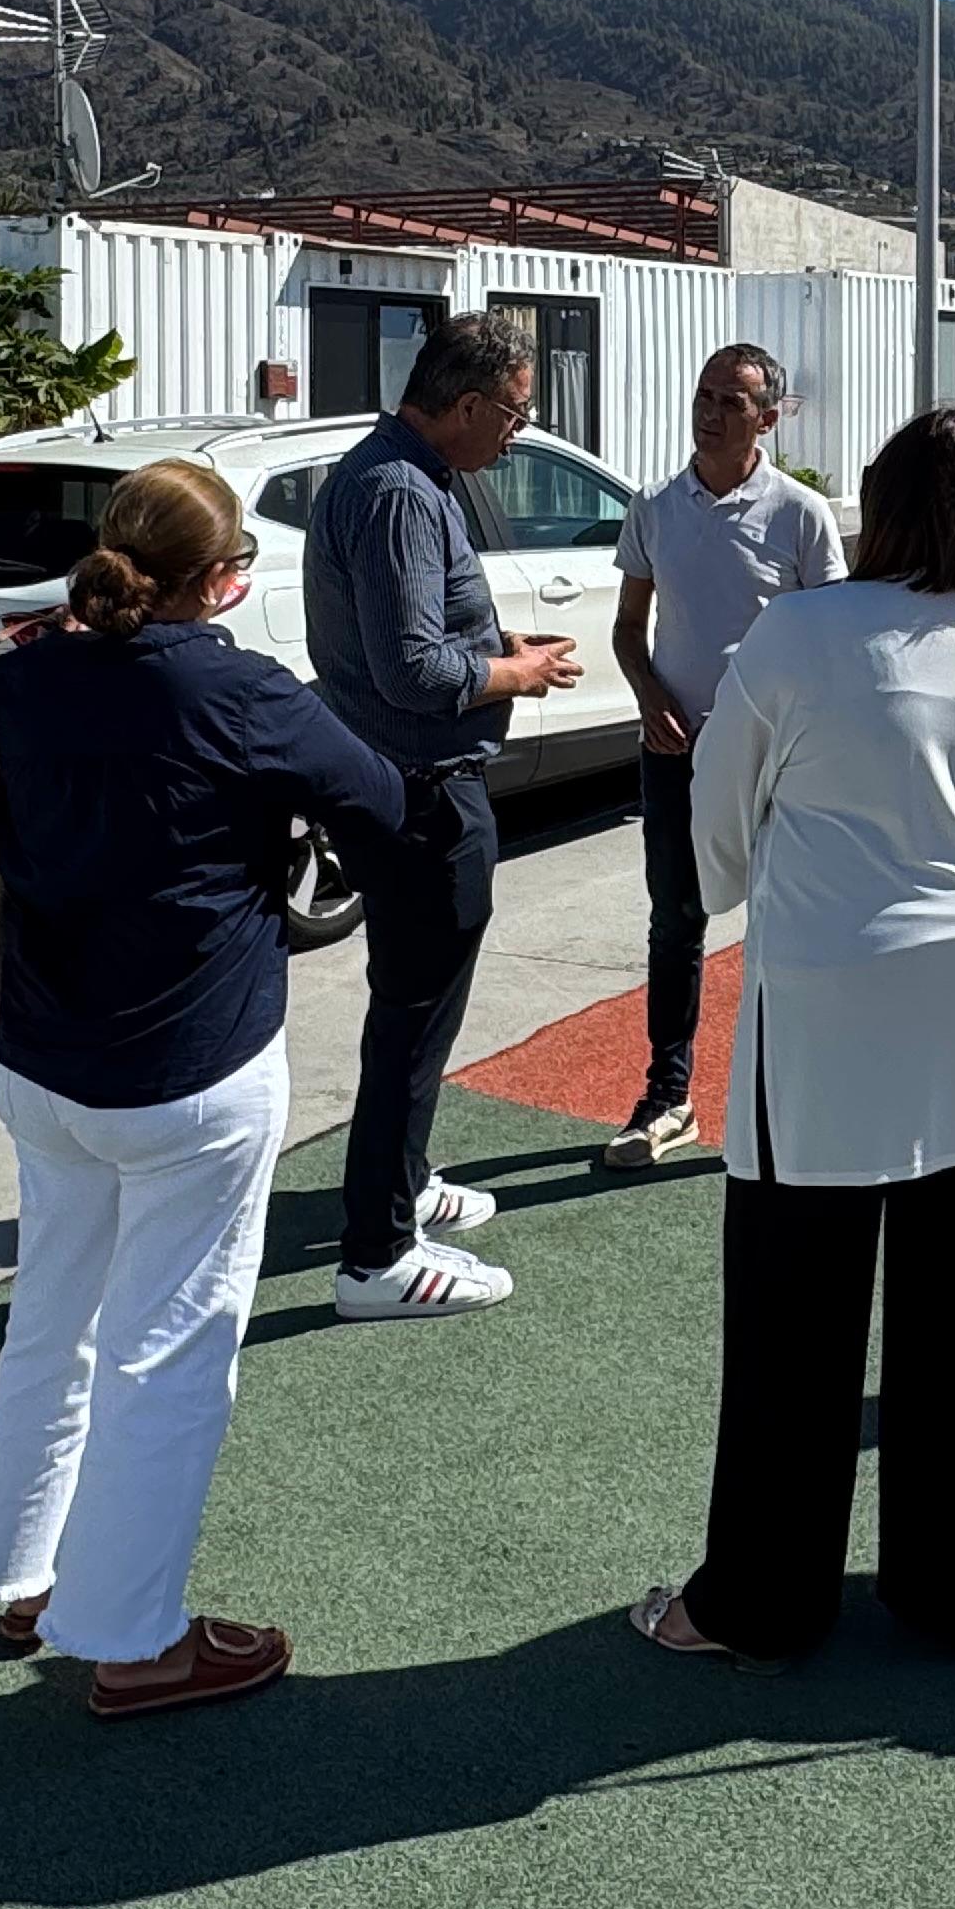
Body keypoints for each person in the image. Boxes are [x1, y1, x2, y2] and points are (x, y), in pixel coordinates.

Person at [0, 458, 408, 1715]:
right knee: (170, 1353)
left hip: (42, 1064)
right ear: (228, 577)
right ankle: (137, 1642)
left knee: (56, 1320)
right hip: (194, 1070)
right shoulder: (241, 689)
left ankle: (31, 1579)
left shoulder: (13, 678)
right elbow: (379, 800)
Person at [631, 407, 955, 1666]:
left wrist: (756, 886)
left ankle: (761, 1599)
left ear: (880, 508)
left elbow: (718, 815)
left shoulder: (800, 631)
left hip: (842, 997)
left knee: (798, 1312)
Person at [306, 312, 584, 1319]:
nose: (517, 433)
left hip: (419, 784)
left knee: (420, 1014)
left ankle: (405, 1183)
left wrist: (495, 636)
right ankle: (377, 1255)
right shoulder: (395, 492)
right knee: (413, 1023)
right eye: (514, 413)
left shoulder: (407, 479)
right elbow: (413, 671)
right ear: (465, 406)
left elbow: (421, 627)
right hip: (420, 793)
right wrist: (515, 670)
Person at [600, 342, 846, 1169]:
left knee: (785, 922)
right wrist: (649, 694)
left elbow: (832, 639)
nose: (710, 411)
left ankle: (787, 1094)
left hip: (778, 764)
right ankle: (667, 1098)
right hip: (674, 757)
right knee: (676, 924)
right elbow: (629, 631)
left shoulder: (799, 517)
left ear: (768, 418)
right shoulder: (656, 508)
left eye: (731, 401)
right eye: (704, 394)